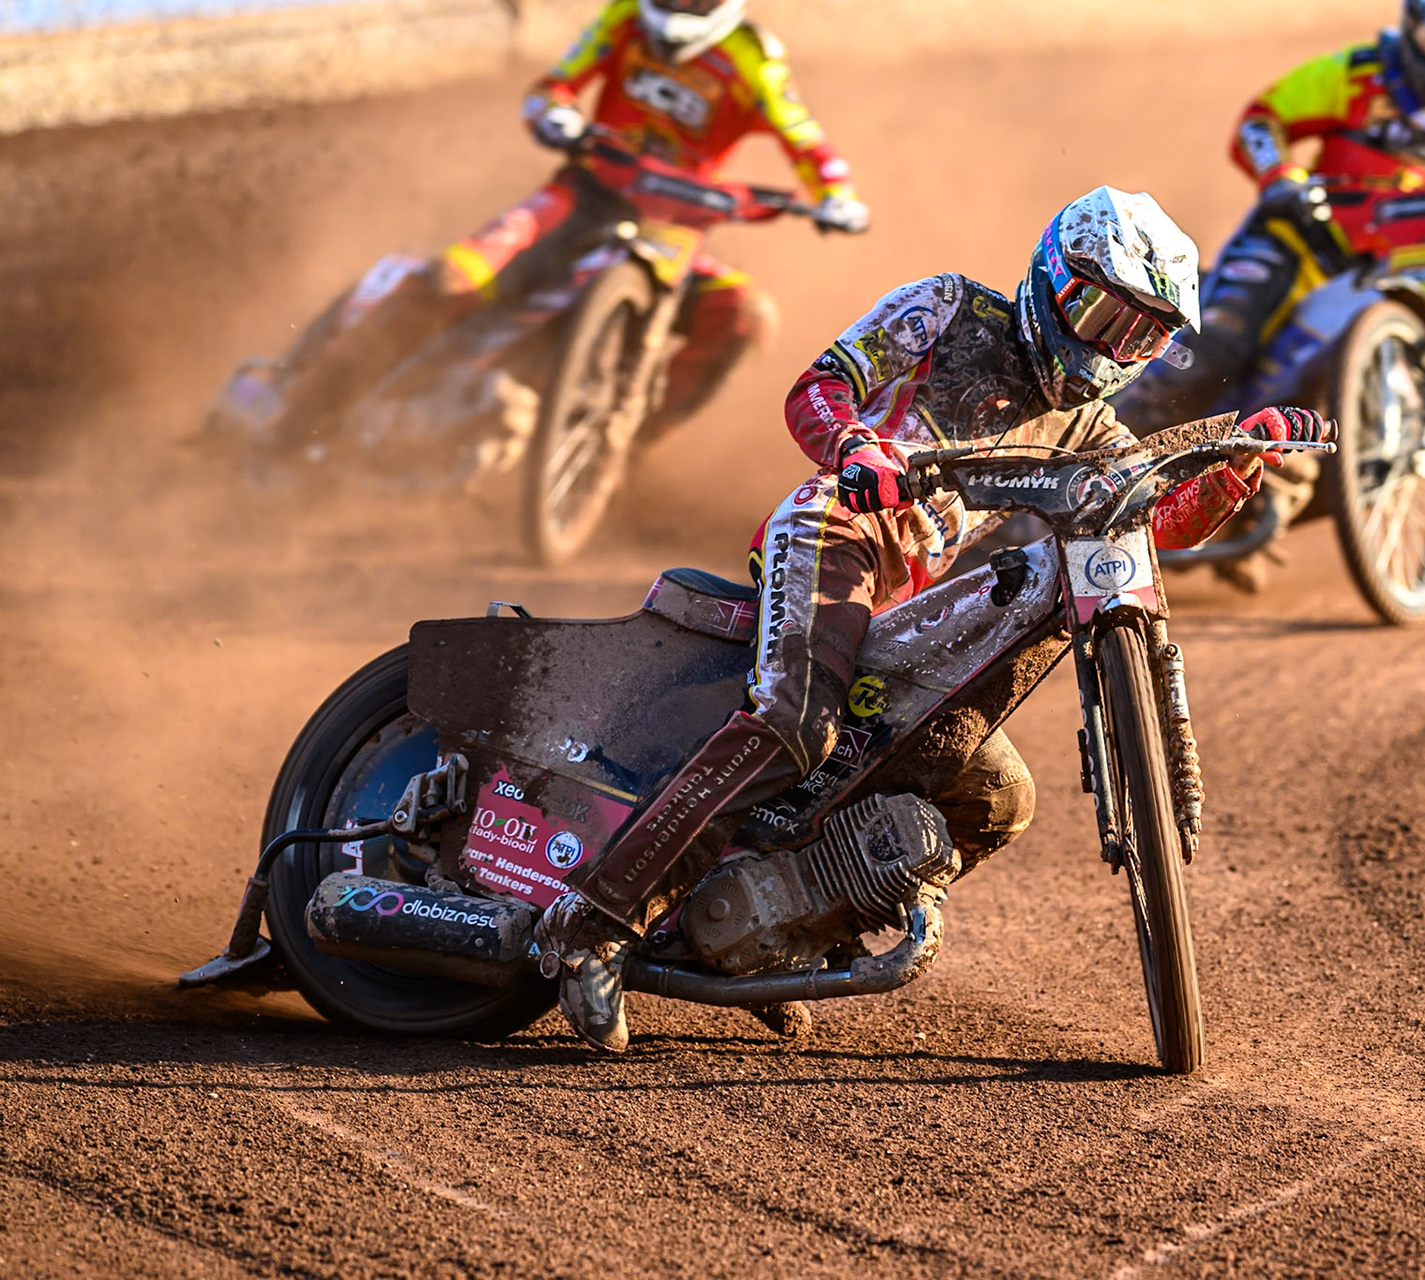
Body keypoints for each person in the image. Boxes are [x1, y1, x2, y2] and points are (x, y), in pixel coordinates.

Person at [534, 186, 1333, 1051]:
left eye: (1139, 334)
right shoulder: (949, 307)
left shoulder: (1093, 431)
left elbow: (1151, 522)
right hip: (837, 528)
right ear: (1054, 277)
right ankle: (591, 925)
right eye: (1102, 313)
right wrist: (857, 447)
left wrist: (1235, 467)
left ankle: (776, 932)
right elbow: (820, 386)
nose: (1111, 348)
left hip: (915, 596)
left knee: (996, 796)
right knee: (798, 720)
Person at [278, 0, 869, 437]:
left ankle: (620, 451)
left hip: (674, 228)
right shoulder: (624, 19)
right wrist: (552, 111)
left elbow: (806, 140)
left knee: (744, 316)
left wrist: (836, 194)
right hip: (583, 193)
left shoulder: (750, 57)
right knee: (449, 280)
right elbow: (555, 85)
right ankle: (300, 413)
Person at [1117, 0, 1425, 435]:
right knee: (1212, 355)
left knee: (1407, 400)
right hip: (1302, 241)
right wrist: (1281, 177)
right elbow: (1263, 119)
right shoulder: (1356, 73)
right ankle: (1101, 451)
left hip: (1409, 267)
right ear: (1412, 21)